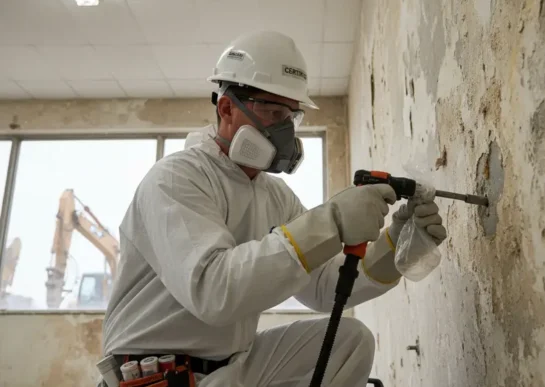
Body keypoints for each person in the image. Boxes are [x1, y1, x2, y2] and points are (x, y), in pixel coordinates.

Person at [100, 30, 447, 387]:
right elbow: (214, 291)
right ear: (226, 108)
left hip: (233, 367)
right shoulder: (177, 178)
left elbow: (326, 287)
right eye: (272, 111)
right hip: (162, 375)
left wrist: (395, 248)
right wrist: (331, 221)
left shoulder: (273, 195)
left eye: (292, 116)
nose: (284, 129)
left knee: (350, 341)